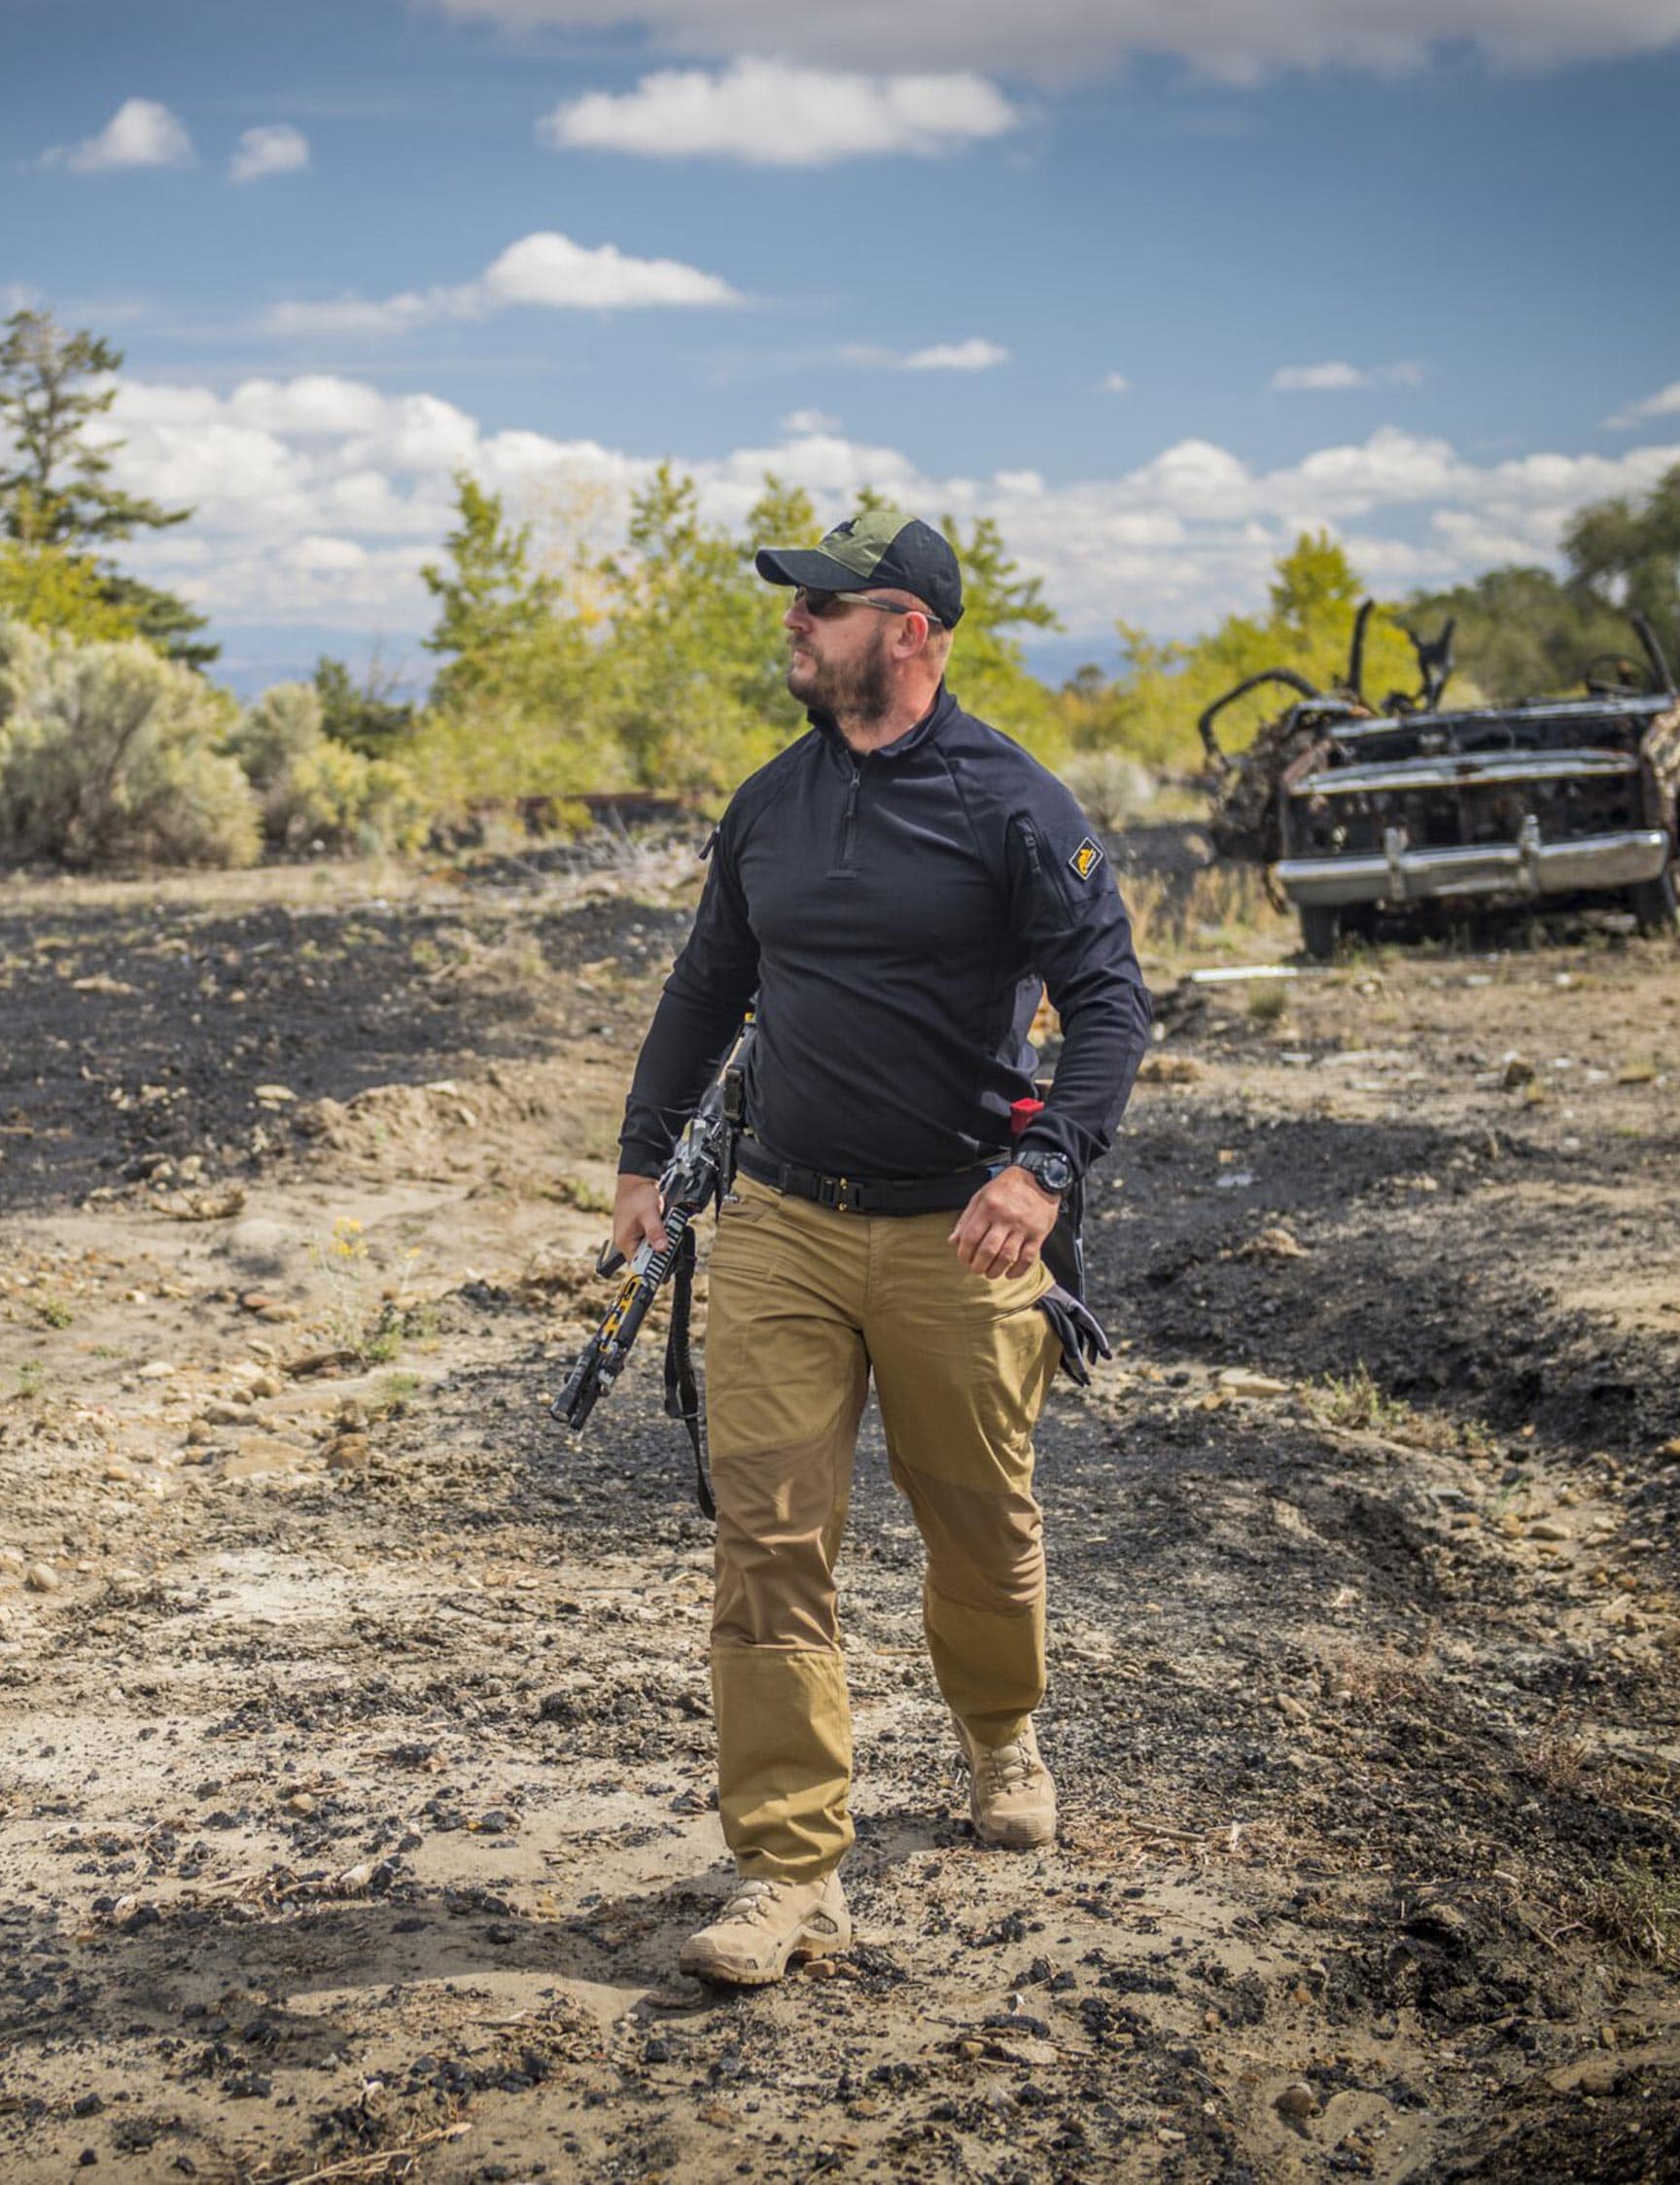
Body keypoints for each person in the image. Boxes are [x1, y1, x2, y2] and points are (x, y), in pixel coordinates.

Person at [612, 506, 1150, 1986]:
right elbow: (707, 981)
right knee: (767, 1536)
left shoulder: (1016, 806)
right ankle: (788, 1873)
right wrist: (644, 1159)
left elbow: (1110, 1008)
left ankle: (999, 1732)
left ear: (909, 630)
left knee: (980, 1526)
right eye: (794, 606)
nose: (793, 625)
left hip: (962, 1236)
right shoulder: (770, 803)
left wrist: (1043, 1172)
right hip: (782, 1219)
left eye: (823, 608)